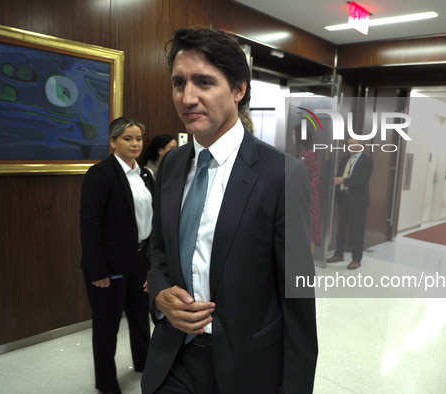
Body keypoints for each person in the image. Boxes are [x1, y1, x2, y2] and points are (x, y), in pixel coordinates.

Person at [141, 27, 318, 394]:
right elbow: (158, 251)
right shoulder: (172, 165)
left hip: (245, 366)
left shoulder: (281, 175)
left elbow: (298, 301)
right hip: (172, 357)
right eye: (178, 83)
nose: (187, 97)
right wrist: (160, 295)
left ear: (238, 89)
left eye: (204, 82)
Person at [80, 116, 153, 393]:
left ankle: (145, 364)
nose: (135, 144)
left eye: (138, 138)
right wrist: (98, 271)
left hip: (139, 259)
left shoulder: (144, 174)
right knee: (107, 326)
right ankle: (106, 382)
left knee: (140, 317)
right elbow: (90, 225)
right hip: (109, 265)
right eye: (127, 138)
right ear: (112, 142)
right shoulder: (100, 174)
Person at [326, 137, 373, 270]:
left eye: (352, 144)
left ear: (360, 145)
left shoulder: (367, 161)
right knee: (341, 228)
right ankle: (338, 254)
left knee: (357, 230)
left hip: (359, 201)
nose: (349, 146)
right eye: (348, 144)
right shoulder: (345, 160)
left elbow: (362, 181)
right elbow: (339, 176)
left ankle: (356, 259)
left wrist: (343, 181)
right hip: (344, 198)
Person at [294, 126, 321, 247]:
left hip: (309, 200)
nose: (293, 137)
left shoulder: (311, 154)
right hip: (298, 199)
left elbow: (315, 179)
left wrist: (302, 191)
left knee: (310, 233)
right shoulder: (299, 155)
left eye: (294, 134)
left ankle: (308, 264)